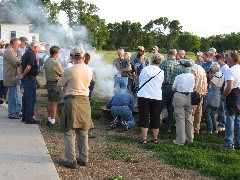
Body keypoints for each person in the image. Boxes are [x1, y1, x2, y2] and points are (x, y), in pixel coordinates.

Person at [57, 50, 93, 169]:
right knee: (83, 130)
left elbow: (60, 84)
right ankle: (84, 158)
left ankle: (71, 159)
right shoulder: (89, 69)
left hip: (72, 100)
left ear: (73, 57)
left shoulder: (70, 70)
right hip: (85, 101)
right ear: (83, 57)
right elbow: (90, 81)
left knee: (69, 131)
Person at [137, 55, 164, 144]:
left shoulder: (145, 69)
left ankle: (144, 138)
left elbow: (140, 80)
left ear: (151, 60)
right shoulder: (161, 71)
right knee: (155, 117)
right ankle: (155, 138)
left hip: (144, 94)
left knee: (144, 117)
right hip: (156, 96)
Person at [172, 59, 195, 145]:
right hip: (189, 96)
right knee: (188, 118)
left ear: (183, 67)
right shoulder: (192, 76)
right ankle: (190, 139)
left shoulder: (179, 77)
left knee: (180, 118)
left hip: (180, 96)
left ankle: (180, 140)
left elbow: (173, 88)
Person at [17, 42, 41, 124]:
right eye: (38, 48)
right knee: (31, 98)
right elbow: (28, 67)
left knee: (26, 97)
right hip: (29, 78)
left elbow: (21, 65)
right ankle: (29, 117)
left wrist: (22, 74)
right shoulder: (32, 54)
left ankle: (24, 116)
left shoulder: (26, 53)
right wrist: (23, 75)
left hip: (26, 78)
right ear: (34, 47)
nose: (39, 49)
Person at [221, 52, 240, 149]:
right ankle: (238, 142)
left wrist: (223, 95)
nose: (226, 60)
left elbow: (229, 87)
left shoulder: (230, 70)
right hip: (238, 94)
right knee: (238, 119)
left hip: (232, 95)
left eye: (228, 58)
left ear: (233, 59)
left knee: (230, 119)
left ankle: (229, 143)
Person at [160, 49, 181, 133]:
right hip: (174, 88)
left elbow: (160, 75)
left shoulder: (164, 63)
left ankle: (154, 126)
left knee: (159, 107)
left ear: (168, 55)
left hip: (165, 87)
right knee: (171, 109)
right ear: (175, 55)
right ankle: (167, 128)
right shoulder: (178, 65)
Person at [44, 45, 64, 127]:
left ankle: (49, 119)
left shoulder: (47, 60)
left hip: (49, 82)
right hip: (55, 83)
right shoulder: (55, 62)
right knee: (54, 103)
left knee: (50, 101)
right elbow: (63, 74)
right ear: (56, 53)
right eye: (59, 52)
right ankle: (52, 121)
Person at [202, 62, 224, 134]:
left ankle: (209, 129)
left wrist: (211, 77)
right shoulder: (221, 73)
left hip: (213, 94)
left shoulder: (217, 74)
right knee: (212, 113)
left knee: (207, 112)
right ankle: (214, 129)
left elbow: (212, 83)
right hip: (217, 94)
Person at [3, 38, 21, 119]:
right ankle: (12, 113)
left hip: (14, 76)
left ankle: (17, 111)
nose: (19, 47)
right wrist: (22, 61)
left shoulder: (11, 51)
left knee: (16, 95)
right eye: (18, 45)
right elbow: (16, 62)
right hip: (11, 76)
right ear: (14, 44)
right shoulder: (9, 51)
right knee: (13, 96)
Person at [191, 61, 207, 134]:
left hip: (194, 93)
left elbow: (192, 81)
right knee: (198, 111)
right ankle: (197, 128)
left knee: (192, 111)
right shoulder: (202, 69)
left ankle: (191, 129)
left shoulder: (193, 69)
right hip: (201, 92)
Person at [216, 53, 229, 131]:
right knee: (220, 107)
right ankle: (220, 121)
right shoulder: (222, 67)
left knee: (221, 108)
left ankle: (222, 124)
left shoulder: (225, 68)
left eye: (216, 60)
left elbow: (223, 80)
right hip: (220, 89)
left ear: (220, 60)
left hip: (222, 89)